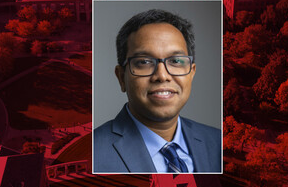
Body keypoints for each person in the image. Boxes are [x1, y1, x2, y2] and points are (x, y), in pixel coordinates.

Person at [94, 9, 221, 173]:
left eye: (175, 61)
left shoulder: (217, 142)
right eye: (144, 62)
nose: (162, 76)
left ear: (191, 73)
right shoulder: (94, 154)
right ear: (121, 77)